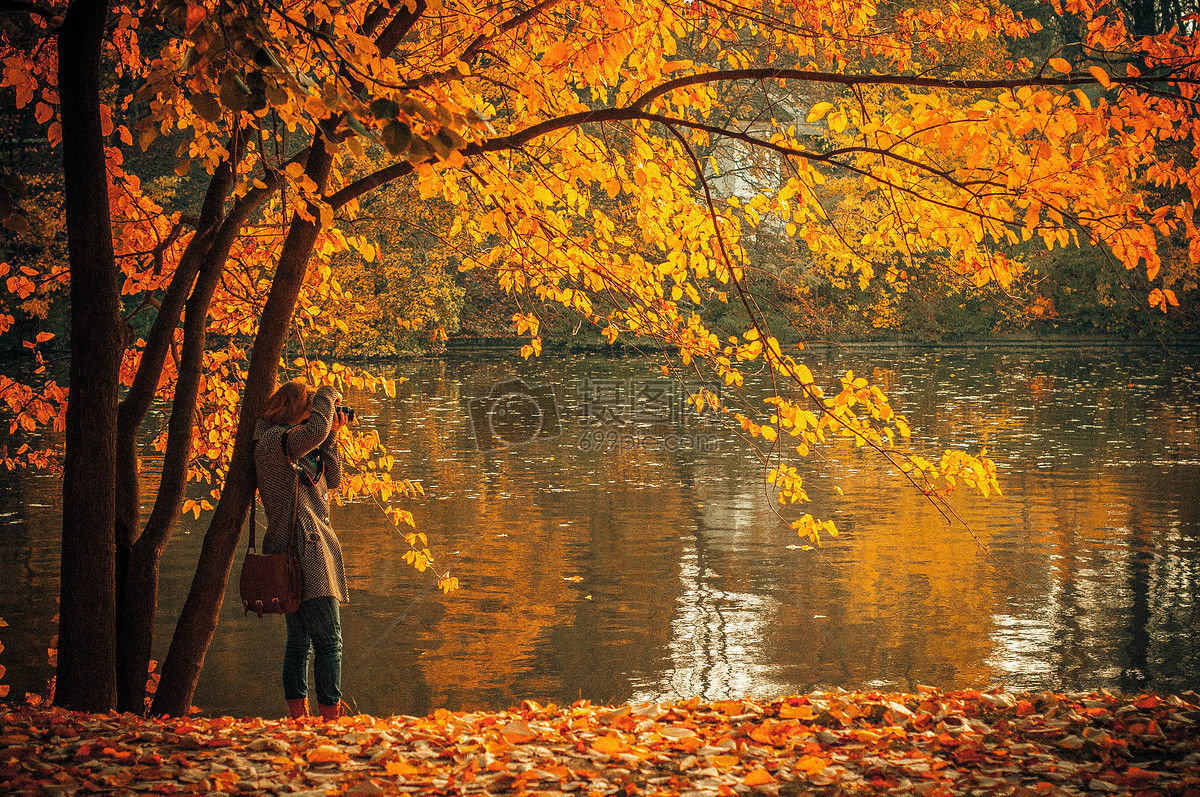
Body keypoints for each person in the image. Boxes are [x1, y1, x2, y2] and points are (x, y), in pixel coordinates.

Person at [254, 380, 350, 720]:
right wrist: (326, 393)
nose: (316, 414)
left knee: (301, 643)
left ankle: (301, 719)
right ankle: (329, 719)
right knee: (329, 642)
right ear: (295, 407)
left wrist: (332, 436)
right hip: (301, 551)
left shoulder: (296, 447)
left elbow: (334, 479)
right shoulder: (273, 442)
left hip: (310, 548)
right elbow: (316, 429)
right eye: (310, 405)